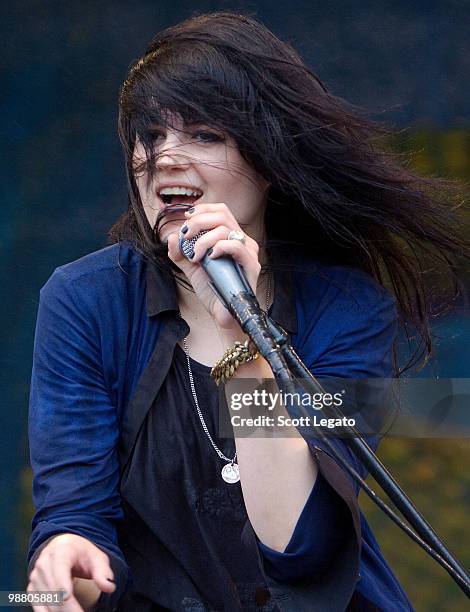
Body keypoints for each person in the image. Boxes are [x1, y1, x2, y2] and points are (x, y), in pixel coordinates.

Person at [26, 11, 467, 612]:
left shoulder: (347, 309)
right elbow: (75, 512)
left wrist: (243, 342)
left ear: (267, 157)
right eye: (150, 136)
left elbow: (299, 548)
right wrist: (65, 553)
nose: (168, 158)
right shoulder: (85, 301)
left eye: (205, 135)